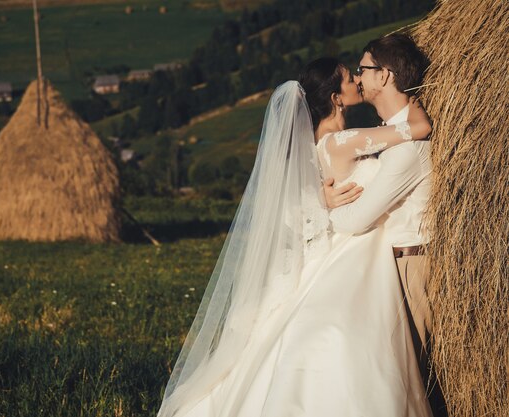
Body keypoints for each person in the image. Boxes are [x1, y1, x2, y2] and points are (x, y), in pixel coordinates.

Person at [157, 57, 433, 416]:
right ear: (336, 97)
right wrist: (415, 99)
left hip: (350, 248)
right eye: (351, 78)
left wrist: (321, 201)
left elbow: (290, 207)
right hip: (355, 251)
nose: (357, 82)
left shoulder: (316, 146)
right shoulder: (343, 141)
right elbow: (419, 128)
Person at [323, 33, 446, 416]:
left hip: (410, 266)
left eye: (363, 69)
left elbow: (358, 218)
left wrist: (322, 207)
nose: (358, 77)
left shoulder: (406, 149)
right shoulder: (393, 134)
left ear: (386, 75)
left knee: (424, 382)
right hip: (387, 267)